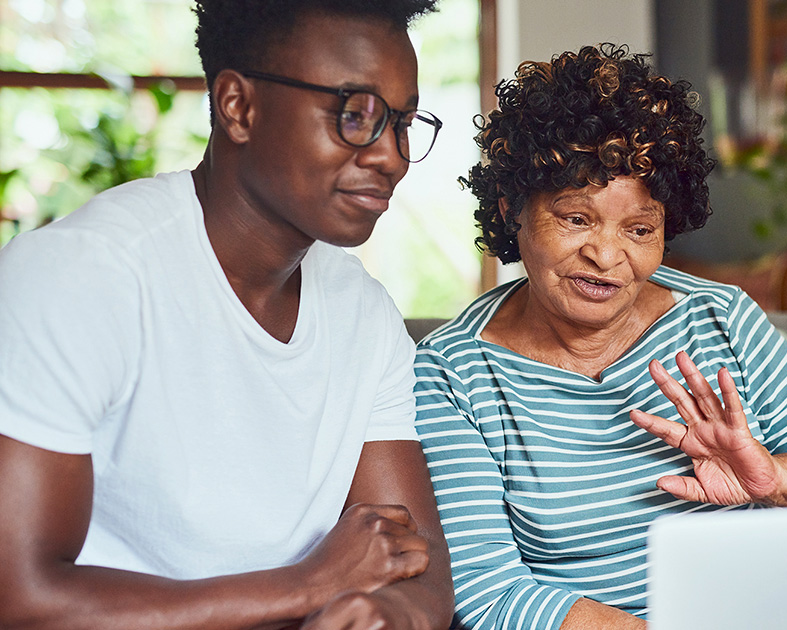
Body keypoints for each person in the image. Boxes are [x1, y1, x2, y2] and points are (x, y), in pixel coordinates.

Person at [414, 43, 787, 630]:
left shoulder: (717, 318)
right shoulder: (451, 373)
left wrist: (776, 478)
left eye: (640, 228)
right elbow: (485, 593)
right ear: (511, 208)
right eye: (576, 218)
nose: (606, 255)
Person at [0, 1, 454, 628]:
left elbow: (419, 563)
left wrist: (384, 616)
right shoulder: (84, 275)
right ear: (238, 106)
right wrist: (306, 586)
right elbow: (18, 596)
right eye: (356, 115)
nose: (392, 157)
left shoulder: (363, 312)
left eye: (402, 123)